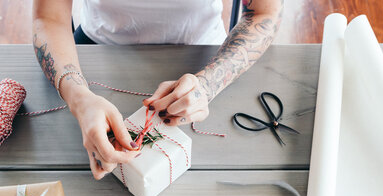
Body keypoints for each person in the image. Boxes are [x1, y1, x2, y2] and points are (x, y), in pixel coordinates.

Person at [32, 0, 283, 179]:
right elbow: (48, 17)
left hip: (205, 57)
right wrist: (80, 99)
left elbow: (264, 12)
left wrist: (207, 84)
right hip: (95, 52)